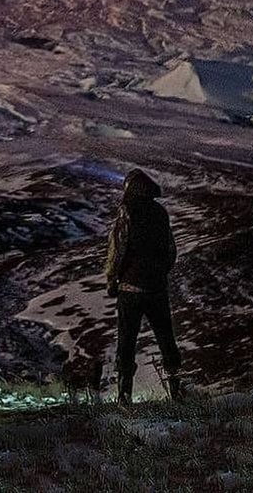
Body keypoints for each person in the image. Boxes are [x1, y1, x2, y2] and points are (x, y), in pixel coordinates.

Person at [105, 168, 183, 403]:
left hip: (130, 289)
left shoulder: (127, 212)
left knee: (127, 340)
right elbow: (171, 251)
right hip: (157, 288)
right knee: (166, 338)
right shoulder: (160, 213)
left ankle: (124, 396)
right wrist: (159, 273)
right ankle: (176, 391)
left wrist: (112, 279)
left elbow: (117, 249)